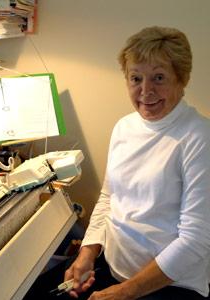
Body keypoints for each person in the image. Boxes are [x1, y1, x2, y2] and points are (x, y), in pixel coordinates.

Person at [63, 26, 210, 299]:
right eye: (135, 78)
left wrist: (123, 293)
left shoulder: (199, 137)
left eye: (158, 78)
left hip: (171, 284)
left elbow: (195, 241)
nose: (145, 91)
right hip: (114, 270)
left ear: (182, 79)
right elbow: (109, 198)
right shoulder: (124, 127)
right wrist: (87, 253)